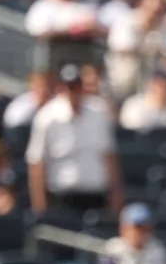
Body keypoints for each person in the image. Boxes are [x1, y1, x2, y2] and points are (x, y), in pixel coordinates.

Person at [25, 64, 124, 215]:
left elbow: (109, 156)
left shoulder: (99, 111)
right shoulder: (47, 117)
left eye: (76, 86)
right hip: (63, 197)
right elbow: (37, 164)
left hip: (96, 196)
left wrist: (116, 194)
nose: (72, 91)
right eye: (68, 86)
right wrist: (40, 207)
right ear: (60, 87)